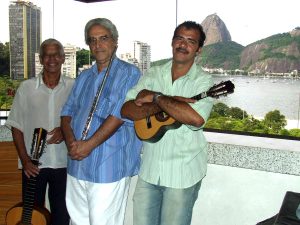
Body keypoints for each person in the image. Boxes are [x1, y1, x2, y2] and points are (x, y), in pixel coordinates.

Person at [121, 21, 214, 225]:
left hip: (183, 174)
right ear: (172, 42)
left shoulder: (204, 82)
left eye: (191, 41)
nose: (183, 44)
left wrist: (156, 97)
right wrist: (169, 105)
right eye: (179, 38)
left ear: (198, 49)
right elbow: (126, 110)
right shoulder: (154, 73)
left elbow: (196, 119)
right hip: (150, 171)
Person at [60, 18, 142, 225]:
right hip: (77, 163)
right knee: (77, 222)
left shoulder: (129, 73)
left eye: (103, 38)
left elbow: (119, 115)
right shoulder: (84, 76)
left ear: (115, 41)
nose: (98, 45)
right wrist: (72, 143)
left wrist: (87, 145)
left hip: (108, 165)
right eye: (92, 40)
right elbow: (67, 112)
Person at [5, 38, 74, 225]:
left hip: (64, 164)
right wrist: (25, 160)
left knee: (61, 217)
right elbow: (16, 126)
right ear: (41, 59)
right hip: (33, 166)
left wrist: (66, 129)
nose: (51, 59)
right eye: (47, 55)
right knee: (32, 218)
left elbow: (82, 119)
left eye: (56, 55)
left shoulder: (73, 87)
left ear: (62, 58)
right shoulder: (26, 88)